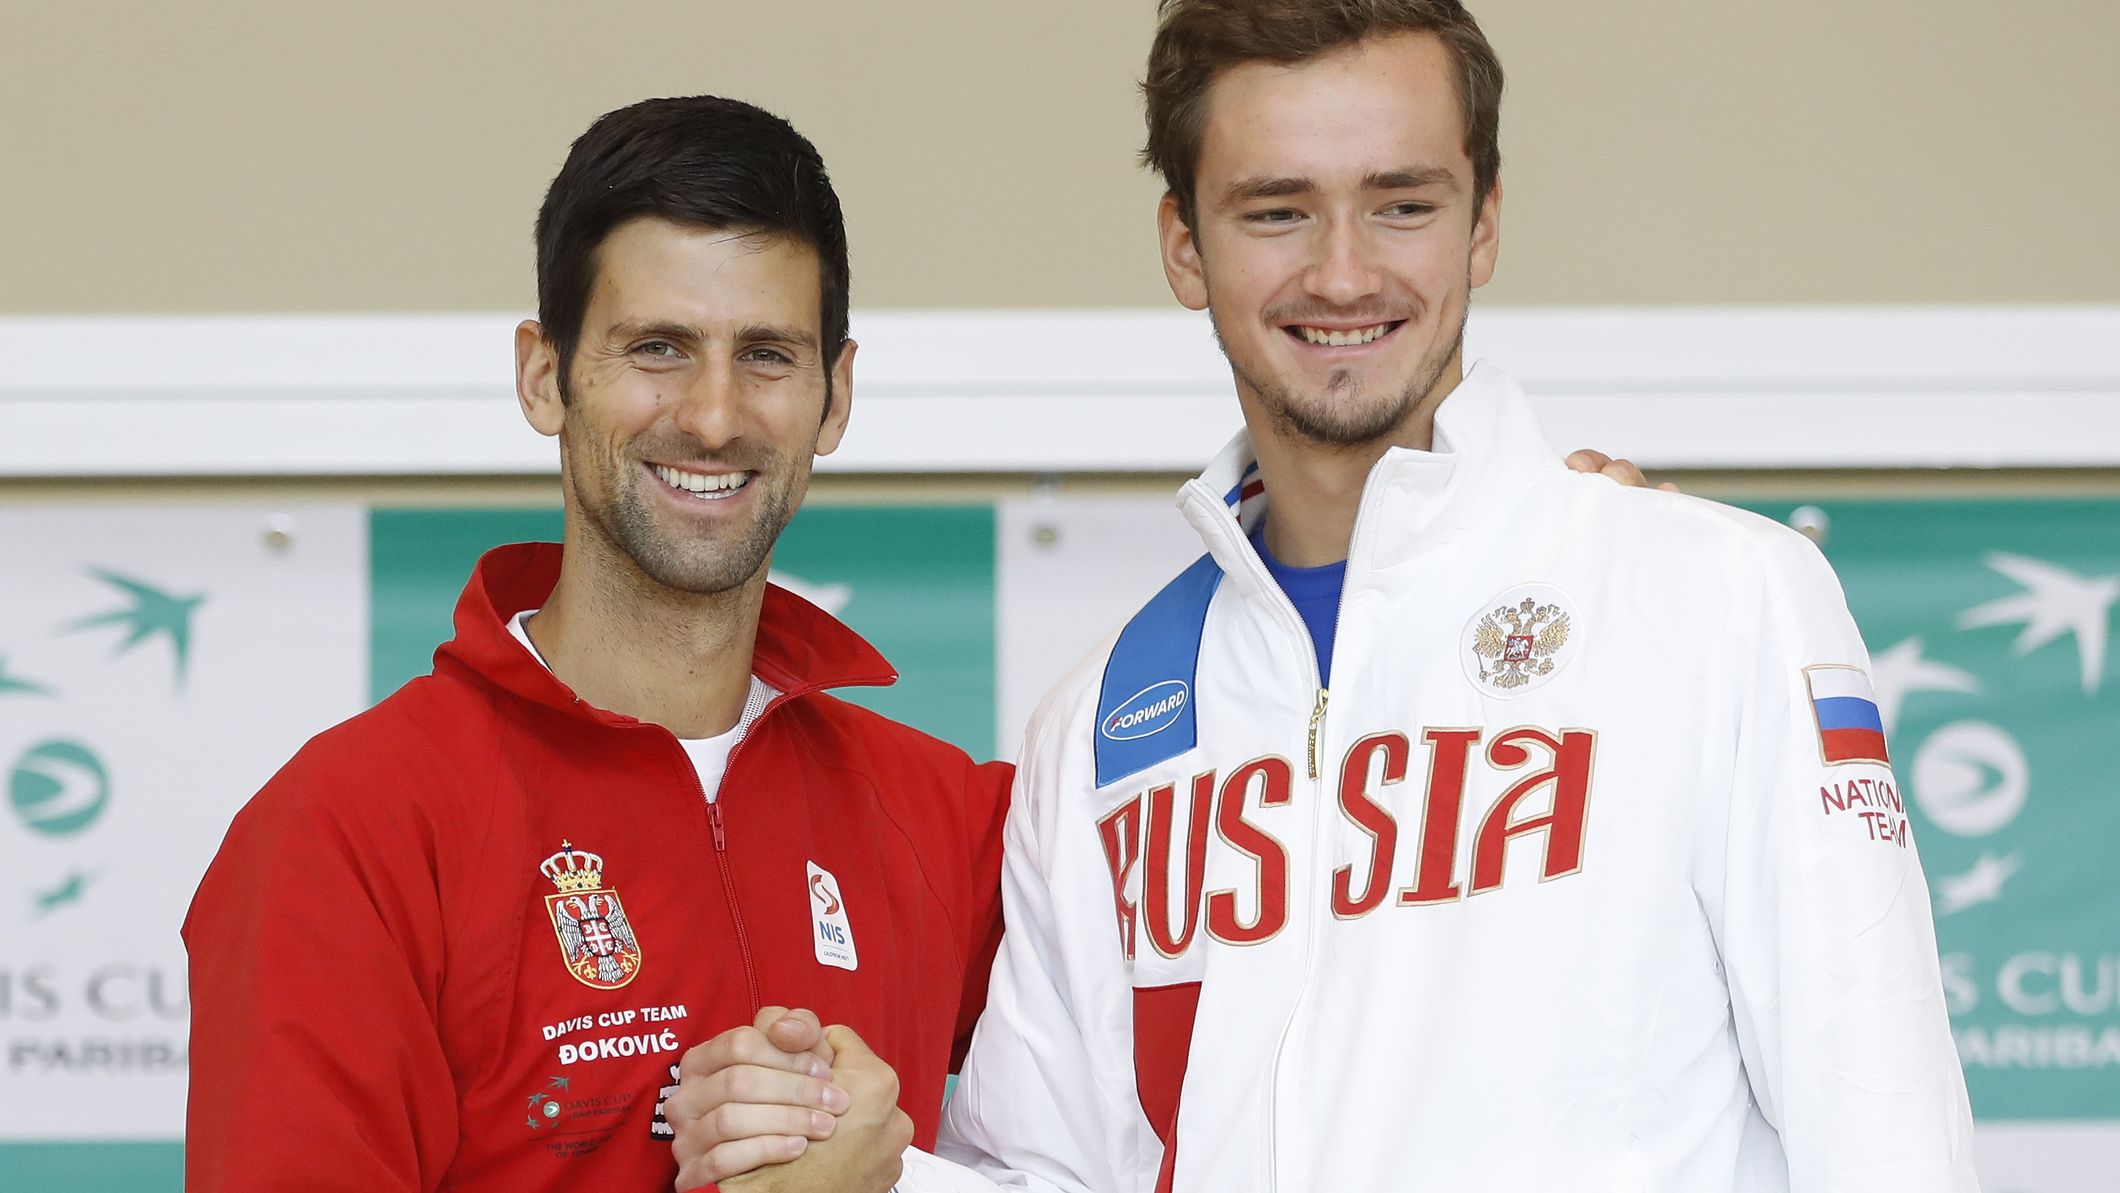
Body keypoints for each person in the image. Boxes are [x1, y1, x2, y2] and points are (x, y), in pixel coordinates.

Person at [667, 2, 1980, 1190]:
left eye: (1401, 204)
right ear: (1185, 244)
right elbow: (1056, 1180)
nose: (1344, 274)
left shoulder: (1718, 598)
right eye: (1277, 209)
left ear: (1486, 222)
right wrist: (867, 1171)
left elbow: (1887, 1138)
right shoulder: (1101, 724)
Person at [181, 96, 1013, 1192]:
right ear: (542, 374)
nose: (714, 416)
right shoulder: (349, 833)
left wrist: (897, 1179)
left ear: (835, 394)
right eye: (657, 348)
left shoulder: (946, 821)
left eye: (766, 354)